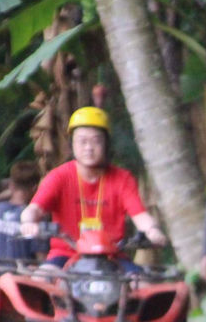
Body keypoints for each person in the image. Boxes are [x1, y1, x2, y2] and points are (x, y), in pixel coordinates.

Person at [20, 106, 168, 267]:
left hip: (112, 257)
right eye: (82, 141)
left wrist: (152, 230)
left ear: (106, 143)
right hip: (65, 255)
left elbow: (139, 215)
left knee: (143, 286)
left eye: (96, 140)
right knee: (41, 282)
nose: (88, 148)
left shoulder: (122, 178)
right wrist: (29, 223)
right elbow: (34, 209)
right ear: (72, 144)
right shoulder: (59, 176)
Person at [0, 160, 43, 277]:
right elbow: (41, 260)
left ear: (11, 185)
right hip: (19, 284)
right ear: (35, 189)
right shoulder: (34, 218)